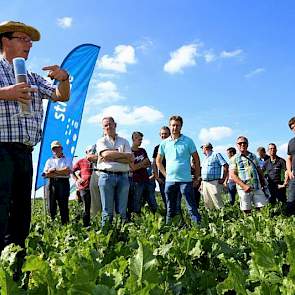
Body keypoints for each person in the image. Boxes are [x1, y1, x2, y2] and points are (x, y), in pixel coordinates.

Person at [0, 21, 70, 253]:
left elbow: (61, 96)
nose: (29, 44)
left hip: (24, 153)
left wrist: (64, 78)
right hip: (1, 151)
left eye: (30, 41)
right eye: (23, 38)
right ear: (5, 40)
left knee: (21, 214)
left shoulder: (32, 77)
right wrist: (6, 93)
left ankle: (14, 266)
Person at [156, 115, 201, 224]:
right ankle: (169, 230)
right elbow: (158, 161)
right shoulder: (164, 143)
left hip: (186, 180)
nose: (175, 128)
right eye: (173, 125)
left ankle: (199, 231)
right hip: (170, 181)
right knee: (170, 208)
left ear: (181, 127)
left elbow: (196, 159)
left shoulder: (188, 141)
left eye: (177, 125)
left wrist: (197, 177)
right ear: (169, 126)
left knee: (191, 208)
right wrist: (166, 175)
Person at [96, 117, 133, 228]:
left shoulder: (124, 141)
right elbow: (105, 155)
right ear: (103, 128)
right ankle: (106, 237)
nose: (108, 127)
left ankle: (122, 235)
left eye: (110, 124)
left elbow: (130, 159)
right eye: (105, 126)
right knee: (107, 211)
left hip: (123, 177)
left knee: (122, 210)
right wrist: (123, 155)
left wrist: (112, 156)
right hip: (106, 176)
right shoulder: (101, 141)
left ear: (115, 125)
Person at [229, 136, 268, 213]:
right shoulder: (234, 158)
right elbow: (233, 174)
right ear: (237, 145)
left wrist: (263, 180)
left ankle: (260, 223)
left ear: (247, 144)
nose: (242, 144)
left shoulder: (253, 156)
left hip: (256, 186)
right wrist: (244, 186)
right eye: (240, 143)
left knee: (262, 207)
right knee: (247, 210)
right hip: (243, 188)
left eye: (244, 143)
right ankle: (249, 224)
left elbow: (258, 169)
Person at [43, 141, 72, 224]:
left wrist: (54, 171)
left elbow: (67, 171)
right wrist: (61, 171)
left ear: (61, 148)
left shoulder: (67, 159)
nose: (56, 150)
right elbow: (46, 174)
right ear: (52, 150)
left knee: (64, 205)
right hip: (51, 183)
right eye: (54, 148)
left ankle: (65, 225)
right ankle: (52, 224)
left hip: (63, 183)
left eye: (57, 147)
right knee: (51, 206)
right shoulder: (49, 161)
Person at [129, 131, 157, 214]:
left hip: (146, 179)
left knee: (152, 201)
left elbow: (148, 163)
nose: (141, 141)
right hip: (136, 181)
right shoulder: (129, 152)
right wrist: (142, 163)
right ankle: (136, 220)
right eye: (139, 139)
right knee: (136, 202)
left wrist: (138, 165)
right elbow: (132, 168)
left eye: (141, 140)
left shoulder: (142, 150)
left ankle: (155, 217)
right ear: (134, 139)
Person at [200, 143, 228, 209]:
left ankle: (222, 216)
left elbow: (225, 166)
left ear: (206, 148)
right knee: (207, 202)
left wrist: (223, 179)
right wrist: (201, 184)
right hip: (205, 183)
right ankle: (212, 217)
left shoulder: (216, 155)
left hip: (214, 182)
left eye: (202, 148)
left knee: (218, 202)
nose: (202, 150)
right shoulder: (204, 159)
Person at [72, 146, 93, 227]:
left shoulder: (97, 161)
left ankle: (94, 224)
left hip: (95, 187)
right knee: (86, 207)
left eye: (93, 151)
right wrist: (78, 179)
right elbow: (72, 171)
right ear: (86, 152)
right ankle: (86, 225)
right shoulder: (81, 161)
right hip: (84, 187)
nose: (92, 152)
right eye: (90, 151)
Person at [85, 144, 102, 216]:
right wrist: (108, 158)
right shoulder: (95, 145)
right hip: (97, 173)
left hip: (111, 173)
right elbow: (90, 157)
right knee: (95, 201)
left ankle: (112, 221)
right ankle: (97, 220)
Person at [286, 117, 295, 215]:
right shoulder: (291, 142)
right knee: (291, 201)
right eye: (292, 128)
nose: (294, 129)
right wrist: (289, 171)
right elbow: (288, 158)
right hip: (294, 176)